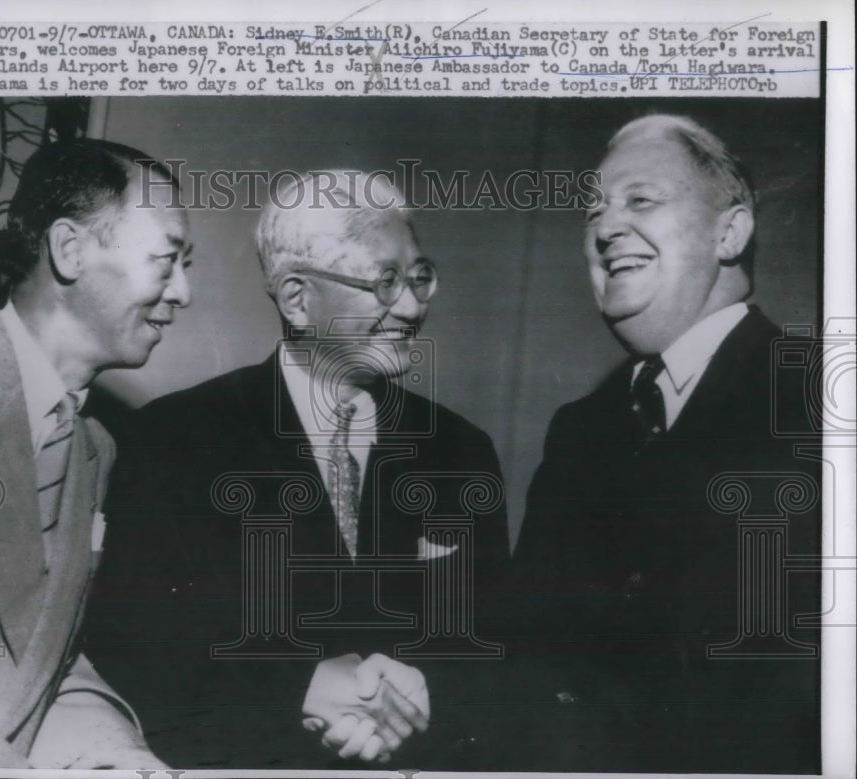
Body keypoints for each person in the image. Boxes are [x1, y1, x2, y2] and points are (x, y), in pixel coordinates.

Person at [84, 170, 510, 768]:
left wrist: (428, 691)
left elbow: (501, 650)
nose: (413, 306)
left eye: (418, 277)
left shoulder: (463, 452)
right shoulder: (174, 441)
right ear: (297, 299)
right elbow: (130, 659)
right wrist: (295, 691)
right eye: (385, 282)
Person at [507, 115, 821, 773]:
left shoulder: (821, 399)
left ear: (730, 232)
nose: (604, 227)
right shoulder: (580, 430)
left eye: (639, 200)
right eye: (595, 209)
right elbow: (527, 658)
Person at [0, 139, 193, 768]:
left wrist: (109, 749)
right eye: (166, 262)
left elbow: (35, 657)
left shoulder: (94, 451)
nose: (183, 293)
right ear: (70, 250)